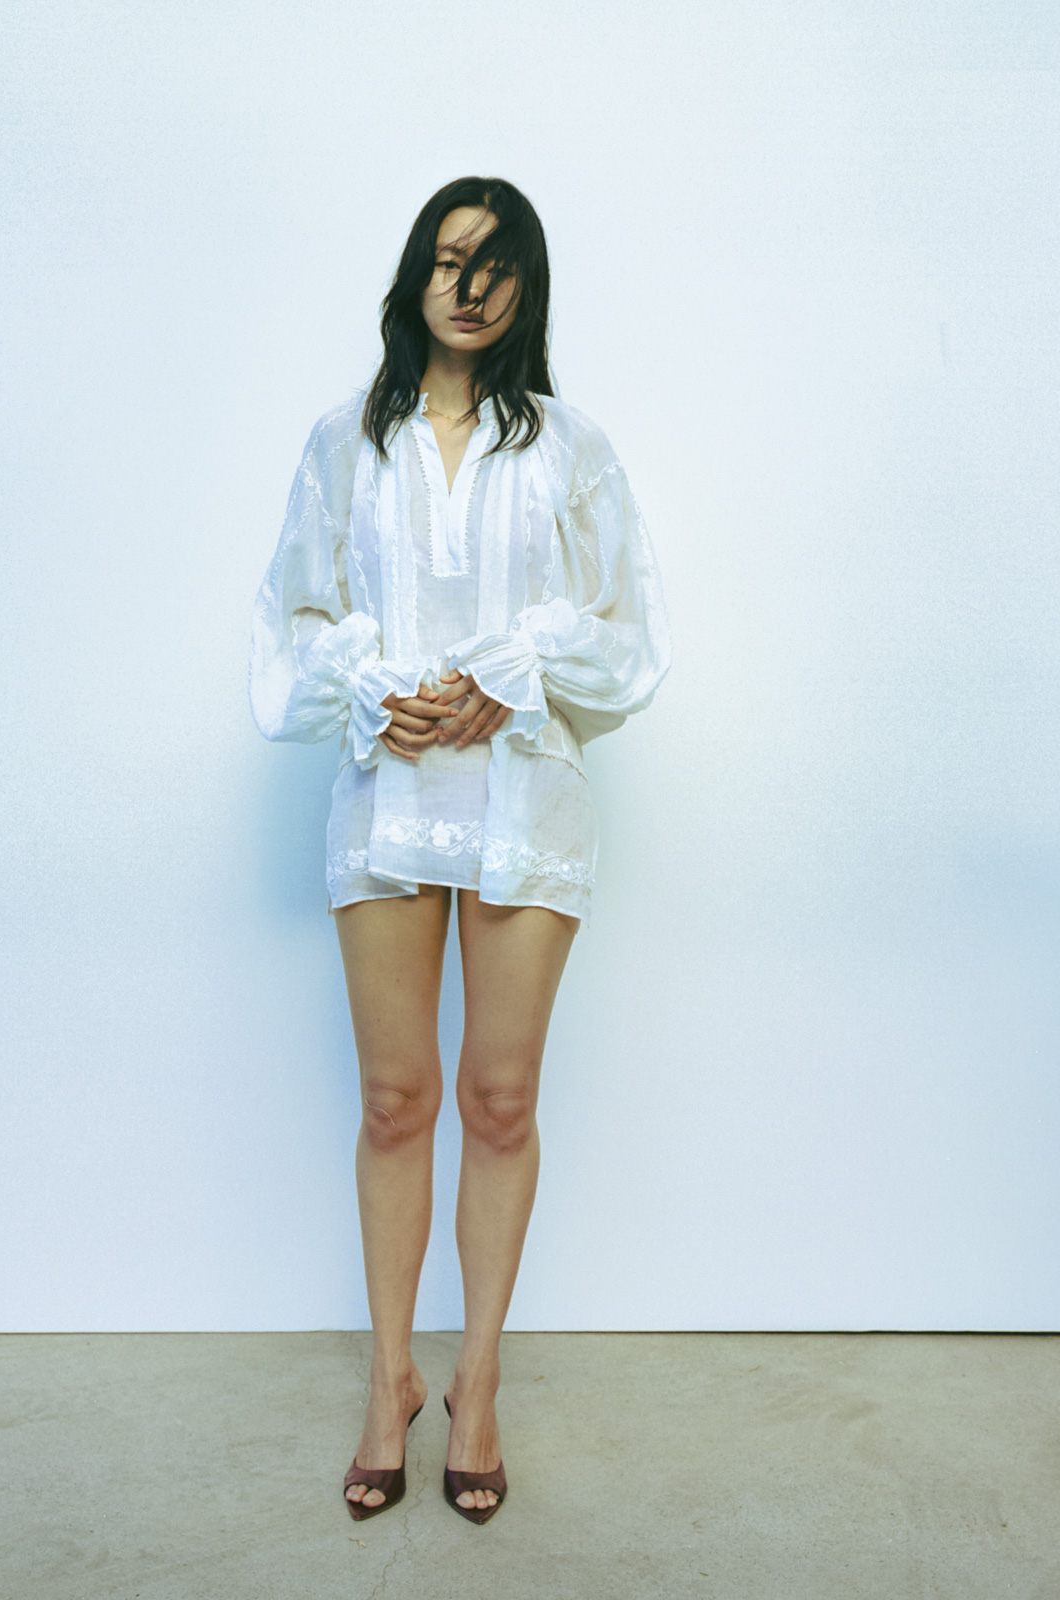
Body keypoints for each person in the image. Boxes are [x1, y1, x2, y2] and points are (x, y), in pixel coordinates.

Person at [248, 175, 671, 1525]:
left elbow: (629, 631)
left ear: (525, 287)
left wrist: (512, 669)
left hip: (523, 797)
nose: (470, 286)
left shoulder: (569, 448)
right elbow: (293, 616)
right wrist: (369, 682)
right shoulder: (345, 443)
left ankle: (476, 1381)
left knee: (498, 1098)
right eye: (447, 260)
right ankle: (392, 1381)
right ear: (414, 278)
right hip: (388, 791)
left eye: (495, 265)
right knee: (394, 1099)